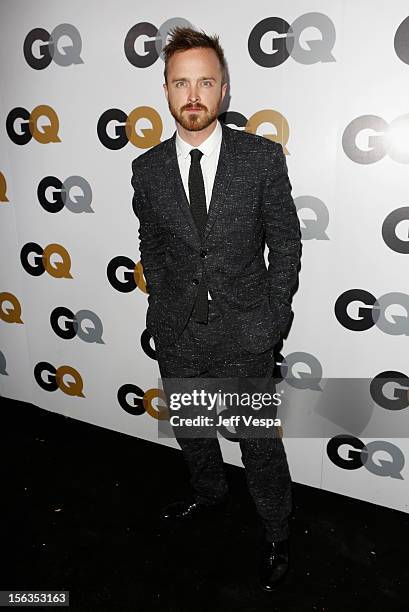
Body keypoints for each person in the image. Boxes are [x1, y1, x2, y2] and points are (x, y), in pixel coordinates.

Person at [131, 26, 302, 592]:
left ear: (224, 89)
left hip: (247, 331)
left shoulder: (260, 157)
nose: (194, 94)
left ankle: (277, 529)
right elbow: (151, 242)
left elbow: (286, 242)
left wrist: (274, 318)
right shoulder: (148, 168)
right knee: (193, 430)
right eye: (182, 82)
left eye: (206, 80)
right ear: (166, 90)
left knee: (257, 442)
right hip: (179, 330)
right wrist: (163, 301)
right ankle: (209, 497)